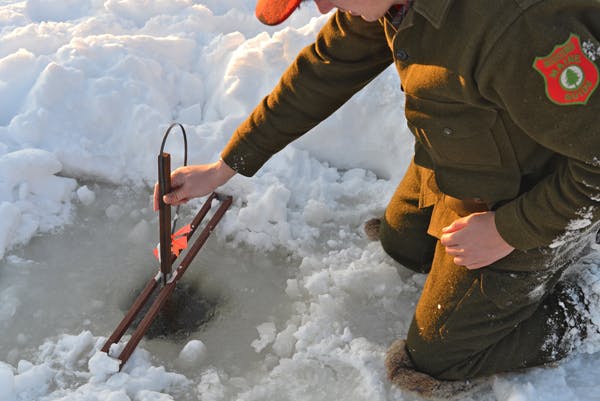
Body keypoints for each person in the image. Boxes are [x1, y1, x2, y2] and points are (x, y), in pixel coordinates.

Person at [155, 0, 600, 397]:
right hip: (466, 155)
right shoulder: (389, 3)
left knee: (438, 361)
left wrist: (509, 230)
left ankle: (588, 303)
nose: (324, 7)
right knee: (402, 244)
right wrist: (224, 167)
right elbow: (323, 69)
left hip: (538, 188)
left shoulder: (516, 27)